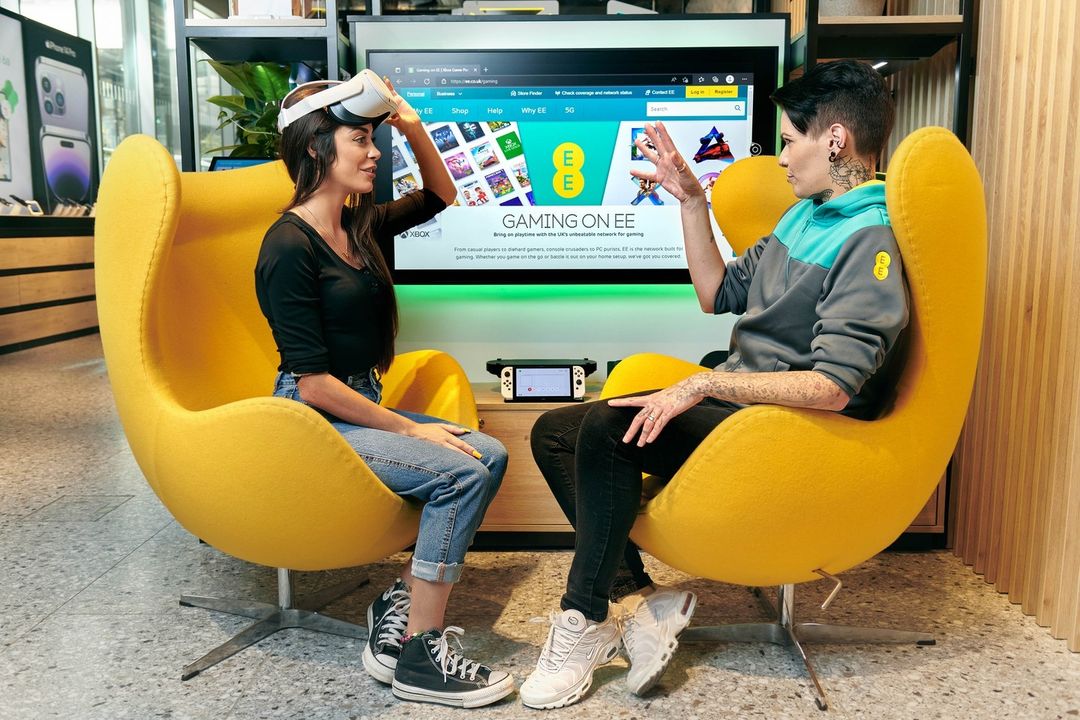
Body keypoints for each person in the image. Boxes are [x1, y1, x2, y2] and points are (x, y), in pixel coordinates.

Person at [519, 59, 907, 709]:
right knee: (554, 430)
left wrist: (701, 387)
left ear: (835, 140)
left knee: (611, 428)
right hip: (744, 406)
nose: (781, 157)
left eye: (790, 140)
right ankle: (640, 605)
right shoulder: (804, 216)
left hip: (792, 431)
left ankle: (582, 620)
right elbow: (715, 292)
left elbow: (833, 387)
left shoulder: (870, 238)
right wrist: (692, 201)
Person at [254, 74, 514, 708]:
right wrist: (411, 428)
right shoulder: (286, 246)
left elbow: (442, 194)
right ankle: (422, 655)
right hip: (313, 416)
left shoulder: (359, 225)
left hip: (357, 405)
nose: (374, 153)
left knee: (491, 453)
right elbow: (312, 383)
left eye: (374, 139)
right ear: (316, 146)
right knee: (461, 472)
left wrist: (413, 126)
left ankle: (401, 599)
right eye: (359, 140)